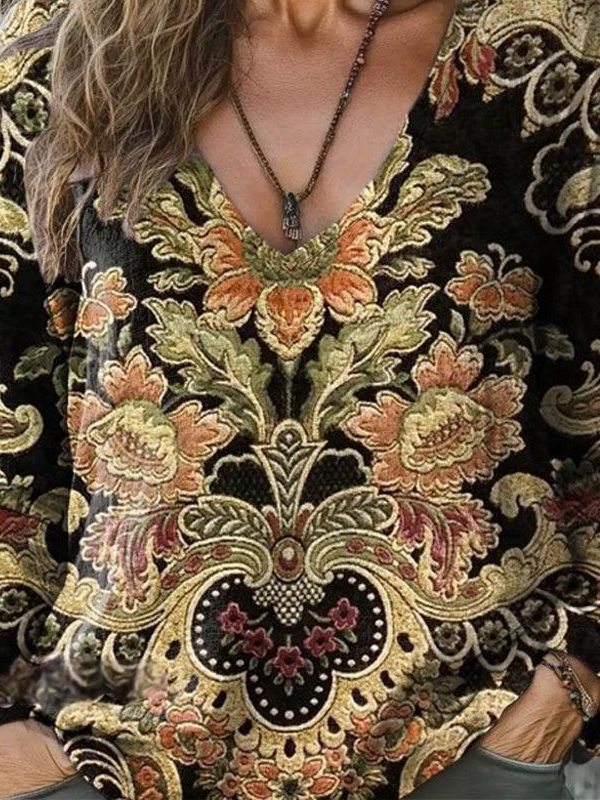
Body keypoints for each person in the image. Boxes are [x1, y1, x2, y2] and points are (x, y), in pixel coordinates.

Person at [0, 0, 599, 798]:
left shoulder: (546, 50)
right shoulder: (60, 55)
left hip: (462, 752)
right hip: (107, 762)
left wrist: (566, 692)